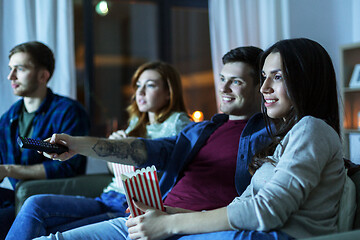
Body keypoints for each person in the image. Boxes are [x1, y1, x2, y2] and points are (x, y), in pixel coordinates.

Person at [15, 45, 273, 240]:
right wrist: (75, 144)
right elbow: (145, 149)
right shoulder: (201, 130)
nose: (224, 89)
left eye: (236, 82)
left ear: (259, 87)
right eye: (222, 79)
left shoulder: (271, 134)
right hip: (149, 217)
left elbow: (262, 207)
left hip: (192, 226)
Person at [119, 38, 347, 240]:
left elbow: (267, 211)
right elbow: (243, 204)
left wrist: (169, 224)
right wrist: (170, 212)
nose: (265, 88)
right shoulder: (287, 136)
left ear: (305, 80)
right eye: (264, 77)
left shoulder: (312, 128)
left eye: (277, 77)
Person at [6, 61, 192, 239]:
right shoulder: (136, 124)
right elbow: (114, 171)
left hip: (132, 205)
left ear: (169, 92)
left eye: (150, 86)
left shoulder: (179, 123)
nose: (140, 92)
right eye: (138, 85)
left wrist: (124, 149)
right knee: (35, 203)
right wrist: (115, 151)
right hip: (109, 196)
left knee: (53, 231)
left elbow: (178, 171)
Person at [0, 41, 90, 238]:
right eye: (10, 69)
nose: (10, 77)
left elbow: (68, 167)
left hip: (53, 198)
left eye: (20, 69)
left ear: (43, 75)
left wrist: (8, 170)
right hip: (16, 197)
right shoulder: (8, 119)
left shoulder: (68, 111)